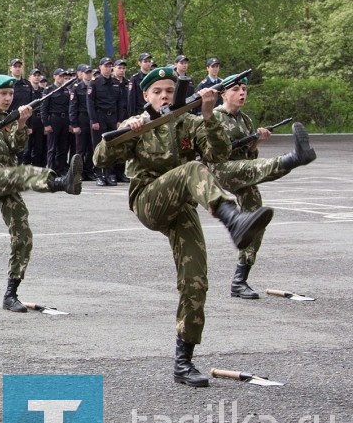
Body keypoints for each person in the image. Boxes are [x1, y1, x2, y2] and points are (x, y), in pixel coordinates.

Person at [93, 65, 276, 387]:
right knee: (192, 169)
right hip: (149, 199)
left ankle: (184, 361)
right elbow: (99, 159)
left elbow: (219, 156)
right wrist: (129, 131)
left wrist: (208, 114)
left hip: (183, 204)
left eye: (169, 90)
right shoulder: (139, 122)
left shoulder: (189, 122)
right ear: (146, 95)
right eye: (158, 91)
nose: (164, 96)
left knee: (196, 281)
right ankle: (232, 218)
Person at [0, 75, 83, 312]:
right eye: (3, 94)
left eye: (10, 94)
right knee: (23, 173)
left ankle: (10, 294)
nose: (7, 98)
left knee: (23, 235)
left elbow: (17, 147)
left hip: (6, 177)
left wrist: (21, 124)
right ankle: (61, 182)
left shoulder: (9, 120)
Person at [208, 78, 317, 299]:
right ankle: (293, 158)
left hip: (241, 169)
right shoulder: (214, 117)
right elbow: (212, 151)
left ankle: (240, 281)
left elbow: (249, 157)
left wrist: (256, 142)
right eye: (236, 89)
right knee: (259, 169)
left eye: (245, 89)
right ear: (223, 94)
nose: (242, 93)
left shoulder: (245, 120)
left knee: (255, 221)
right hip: (218, 170)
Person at [88, 57, 124, 186]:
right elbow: (90, 103)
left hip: (112, 118)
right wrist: (94, 120)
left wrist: (119, 120)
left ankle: (109, 174)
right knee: (98, 146)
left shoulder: (115, 83)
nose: (108, 68)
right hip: (99, 117)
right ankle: (99, 174)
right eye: (106, 66)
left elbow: (120, 103)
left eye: (110, 66)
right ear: (100, 67)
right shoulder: (95, 83)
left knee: (111, 145)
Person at [68, 64, 96, 182]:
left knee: (91, 148)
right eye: (86, 73)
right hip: (82, 118)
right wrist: (74, 124)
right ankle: (76, 173)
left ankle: (88, 171)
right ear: (81, 74)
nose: (88, 75)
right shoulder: (76, 87)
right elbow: (73, 107)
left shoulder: (94, 86)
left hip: (92, 118)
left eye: (90, 72)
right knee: (80, 149)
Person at [41, 69, 71, 175]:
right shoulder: (48, 90)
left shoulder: (66, 90)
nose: (62, 78)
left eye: (63, 76)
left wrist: (70, 122)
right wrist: (46, 124)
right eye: (60, 76)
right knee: (52, 147)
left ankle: (60, 169)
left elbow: (69, 107)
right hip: (54, 119)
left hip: (64, 119)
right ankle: (51, 169)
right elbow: (43, 108)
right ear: (54, 76)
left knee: (63, 147)